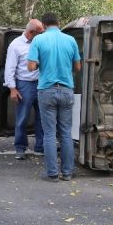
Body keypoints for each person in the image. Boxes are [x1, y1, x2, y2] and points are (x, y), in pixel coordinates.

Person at [27, 12, 81, 182]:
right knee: (65, 133)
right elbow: (78, 67)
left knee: (49, 133)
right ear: (59, 23)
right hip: (66, 90)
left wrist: (44, 64)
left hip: (47, 90)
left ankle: (52, 173)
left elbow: (30, 67)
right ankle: (67, 172)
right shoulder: (70, 40)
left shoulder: (38, 40)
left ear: (43, 25)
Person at [4, 19, 45, 160]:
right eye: (40, 32)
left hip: (41, 84)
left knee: (42, 117)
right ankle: (20, 148)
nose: (42, 35)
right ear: (31, 32)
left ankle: (40, 147)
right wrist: (12, 88)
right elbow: (10, 68)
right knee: (22, 117)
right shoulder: (16, 45)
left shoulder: (40, 42)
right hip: (24, 84)